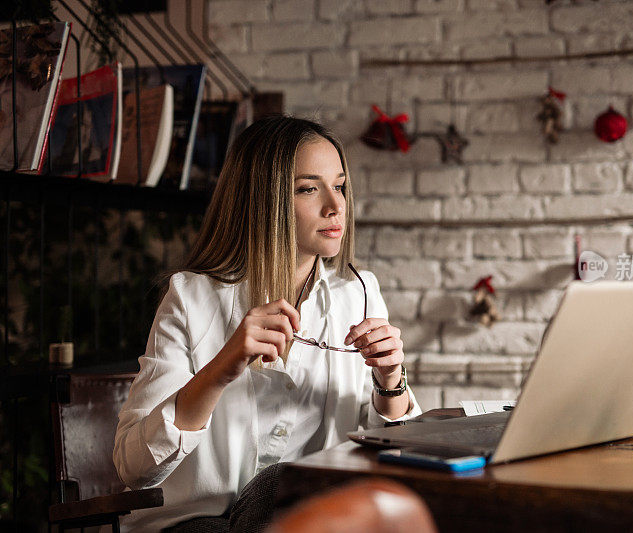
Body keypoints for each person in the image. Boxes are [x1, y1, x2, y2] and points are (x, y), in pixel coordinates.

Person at [113, 116, 422, 531]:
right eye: (309, 189)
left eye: (341, 185)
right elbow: (133, 468)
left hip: (306, 519)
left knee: (328, 493)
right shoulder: (191, 298)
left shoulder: (359, 294)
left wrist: (391, 381)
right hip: (195, 524)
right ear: (264, 200)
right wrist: (220, 369)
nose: (335, 206)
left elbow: (396, 460)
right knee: (289, 483)